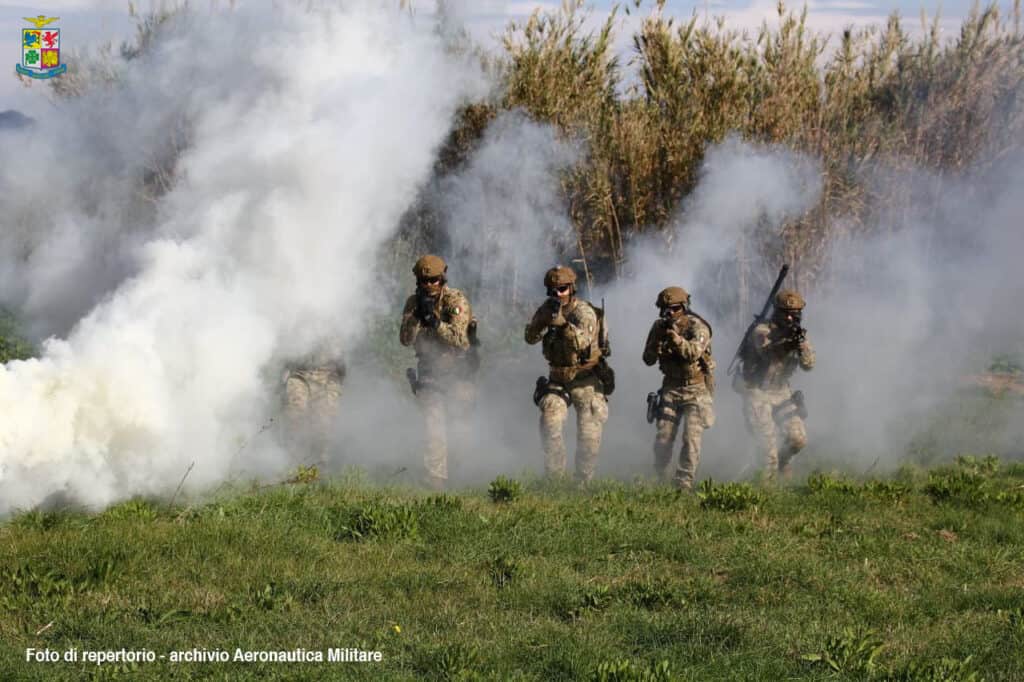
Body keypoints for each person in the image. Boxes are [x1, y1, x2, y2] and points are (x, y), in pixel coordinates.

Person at [525, 265, 611, 483]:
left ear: (572, 288)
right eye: (552, 291)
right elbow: (530, 337)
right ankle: (555, 479)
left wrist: (563, 325)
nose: (557, 294)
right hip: (558, 379)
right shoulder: (548, 308)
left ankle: (583, 482)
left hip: (586, 379)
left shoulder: (583, 312)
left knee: (588, 437)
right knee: (550, 421)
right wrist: (543, 321)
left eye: (562, 289)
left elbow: (582, 344)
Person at [399, 254, 476, 490]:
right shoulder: (413, 303)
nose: (430, 285)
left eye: (434, 280)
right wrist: (416, 319)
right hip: (430, 373)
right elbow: (405, 340)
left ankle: (461, 476)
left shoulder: (456, 300)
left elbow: (461, 341)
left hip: (458, 373)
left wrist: (435, 322)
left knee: (460, 429)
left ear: (442, 278)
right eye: (425, 282)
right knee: (433, 425)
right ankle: (435, 481)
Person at [736, 289, 815, 481]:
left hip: (781, 392)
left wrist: (801, 345)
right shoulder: (762, 331)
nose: (789, 318)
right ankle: (766, 492)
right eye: (785, 313)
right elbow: (766, 352)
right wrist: (786, 342)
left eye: (794, 314)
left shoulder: (798, 335)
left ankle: (783, 462)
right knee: (767, 448)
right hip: (757, 392)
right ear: (776, 312)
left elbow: (808, 365)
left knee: (798, 439)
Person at [642, 286, 715, 490]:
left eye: (673, 309)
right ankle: (661, 478)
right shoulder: (658, 328)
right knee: (663, 438)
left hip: (696, 389)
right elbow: (647, 359)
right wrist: (656, 345)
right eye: (665, 309)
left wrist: (675, 338)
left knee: (691, 440)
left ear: (683, 307)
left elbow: (692, 353)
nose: (669, 313)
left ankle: (684, 483)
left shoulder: (697, 326)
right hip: (671, 388)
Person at [283, 339, 346, 465]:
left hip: (328, 373)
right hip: (299, 372)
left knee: (324, 421)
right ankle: (295, 464)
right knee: (296, 414)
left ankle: (320, 466)